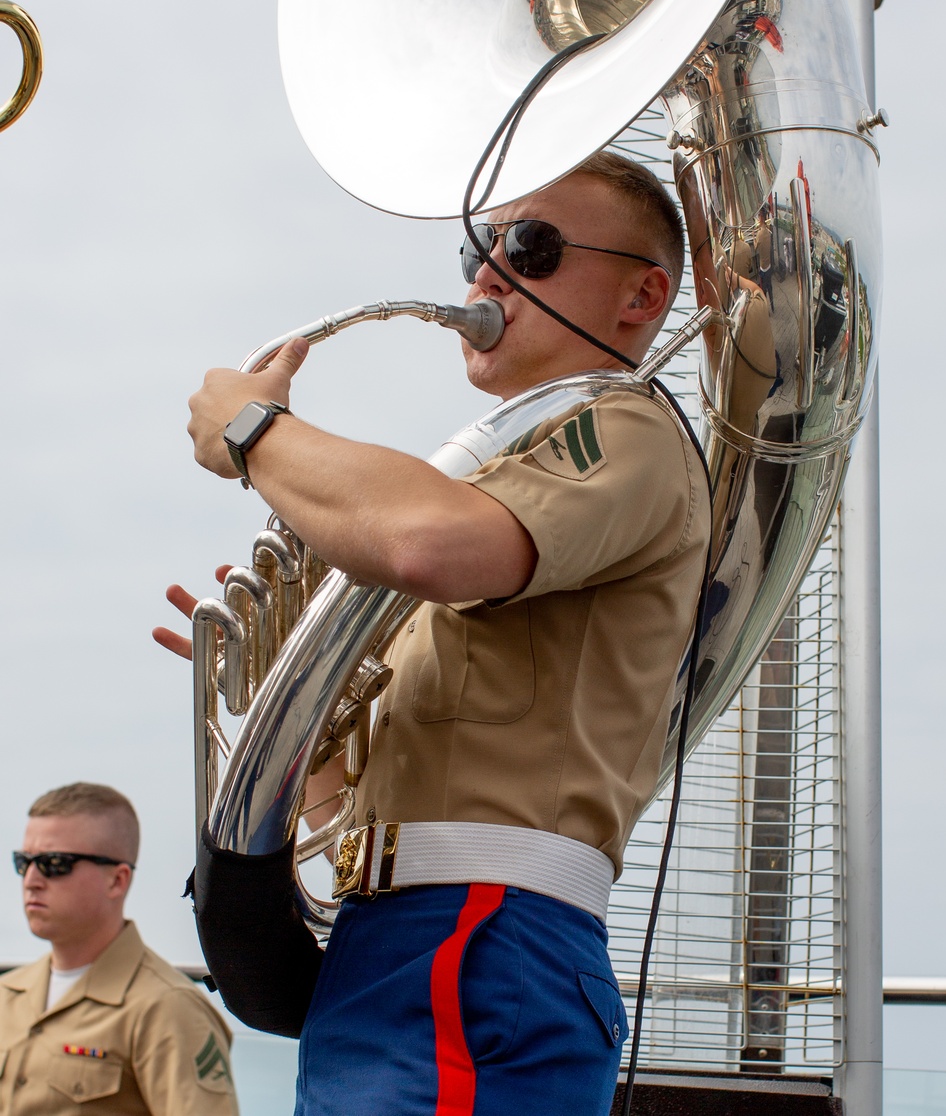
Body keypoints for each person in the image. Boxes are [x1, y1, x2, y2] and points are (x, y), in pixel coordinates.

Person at [167, 151, 711, 1116]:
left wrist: (255, 432)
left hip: (481, 936)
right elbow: (343, 807)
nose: (486, 276)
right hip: (396, 943)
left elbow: (424, 541)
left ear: (641, 296)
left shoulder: (627, 428)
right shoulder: (506, 483)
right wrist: (278, 699)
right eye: (479, 248)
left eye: (531, 248)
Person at [0, 783, 238, 1115]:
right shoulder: (7, 998)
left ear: (117, 880)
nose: (31, 880)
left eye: (55, 863)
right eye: (23, 862)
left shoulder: (167, 1010)